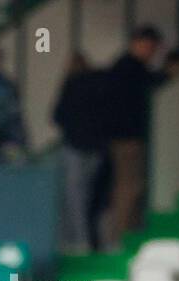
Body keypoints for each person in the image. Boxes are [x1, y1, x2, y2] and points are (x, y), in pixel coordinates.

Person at [102, 26, 166, 249]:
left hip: (126, 137)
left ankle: (128, 235)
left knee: (131, 187)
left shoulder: (129, 66)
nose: (152, 52)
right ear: (139, 43)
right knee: (128, 188)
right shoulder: (128, 67)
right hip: (126, 139)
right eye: (150, 47)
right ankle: (121, 239)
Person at [52, 54, 109, 253]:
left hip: (75, 147)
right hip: (97, 148)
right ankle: (95, 241)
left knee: (75, 197)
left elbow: (57, 116)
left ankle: (80, 242)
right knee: (92, 198)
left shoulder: (70, 85)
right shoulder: (100, 86)